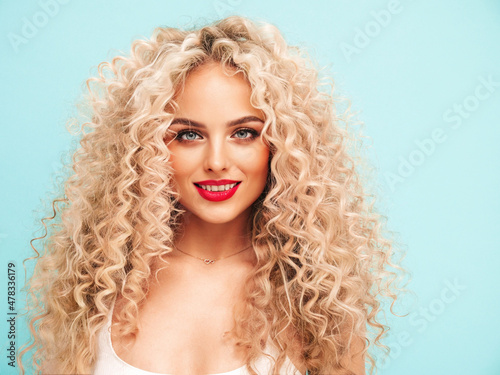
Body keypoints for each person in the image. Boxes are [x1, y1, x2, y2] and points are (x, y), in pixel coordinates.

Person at [20, 15, 406, 375]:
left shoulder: (318, 301)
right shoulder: (98, 285)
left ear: (281, 146)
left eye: (244, 133)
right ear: (145, 149)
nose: (217, 162)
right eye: (189, 134)